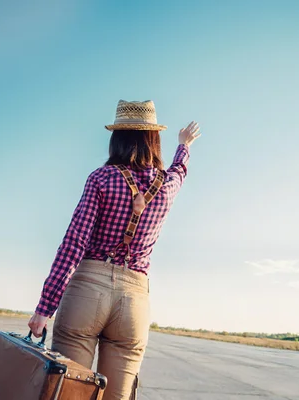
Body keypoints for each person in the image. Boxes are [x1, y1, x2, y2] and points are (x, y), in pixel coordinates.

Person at [28, 99, 201, 399]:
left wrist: (45, 308)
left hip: (86, 291)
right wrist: (184, 144)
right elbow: (180, 169)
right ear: (153, 138)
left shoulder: (101, 179)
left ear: (116, 138)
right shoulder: (167, 185)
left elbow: (74, 243)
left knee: (70, 392)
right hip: (133, 302)